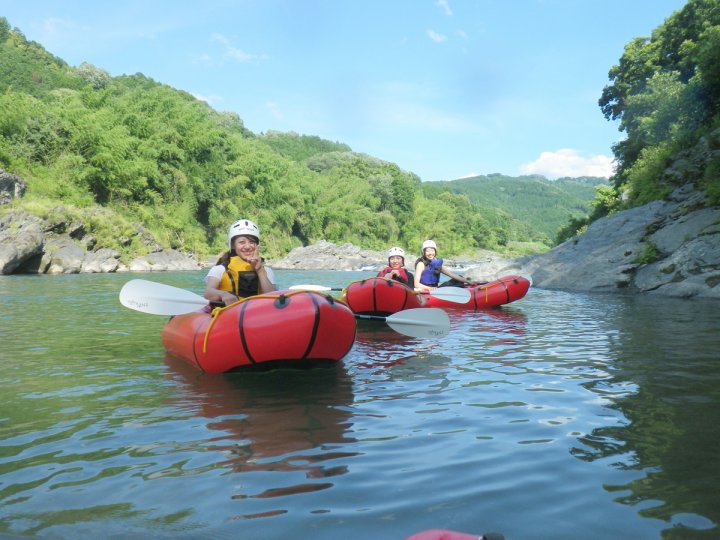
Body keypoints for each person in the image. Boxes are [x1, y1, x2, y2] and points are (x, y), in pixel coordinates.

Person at [204, 219, 277, 305]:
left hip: (257, 315)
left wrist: (259, 270)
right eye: (242, 242)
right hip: (228, 314)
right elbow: (208, 292)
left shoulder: (266, 271)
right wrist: (223, 294)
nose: (247, 246)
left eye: (252, 242)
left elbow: (273, 298)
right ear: (233, 245)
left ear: (257, 246)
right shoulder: (220, 269)